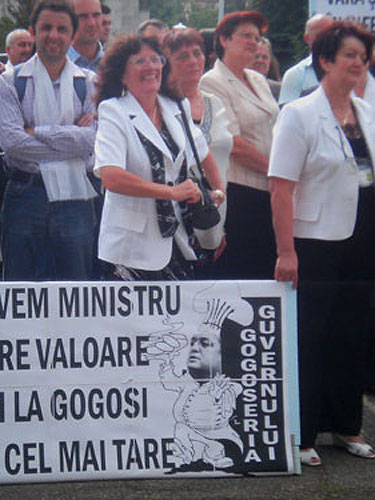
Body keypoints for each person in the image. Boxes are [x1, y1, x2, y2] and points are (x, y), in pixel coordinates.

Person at [269, 20, 375, 466]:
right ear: (325, 61)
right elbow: (280, 187)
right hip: (314, 242)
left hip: (361, 239)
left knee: (352, 334)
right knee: (310, 337)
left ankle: (347, 426)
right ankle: (303, 430)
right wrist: (286, 250)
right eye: (349, 55)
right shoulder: (298, 114)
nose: (359, 63)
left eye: (363, 56)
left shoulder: (367, 112)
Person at [94, 34, 225, 281]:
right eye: (140, 61)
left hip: (180, 242)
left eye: (156, 59)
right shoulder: (113, 110)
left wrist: (218, 193)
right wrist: (171, 192)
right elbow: (111, 177)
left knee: (177, 319)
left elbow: (203, 154)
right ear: (121, 73)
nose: (151, 66)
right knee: (131, 321)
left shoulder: (177, 106)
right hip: (130, 250)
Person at [0, 0, 97, 281]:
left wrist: (37, 131)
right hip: (25, 195)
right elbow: (13, 143)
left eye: (61, 29)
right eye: (46, 28)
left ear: (72, 35)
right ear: (33, 32)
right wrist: (71, 141)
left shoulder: (88, 83)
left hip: (76, 197)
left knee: (76, 289)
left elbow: (92, 141)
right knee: (21, 289)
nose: (53, 35)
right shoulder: (10, 82)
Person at [200, 11, 279, 280]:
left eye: (257, 38)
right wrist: (277, 171)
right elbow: (234, 144)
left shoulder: (258, 79)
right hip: (240, 193)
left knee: (266, 266)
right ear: (224, 39)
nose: (253, 43)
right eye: (246, 36)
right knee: (243, 269)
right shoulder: (212, 82)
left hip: (269, 191)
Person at [162, 28, 232, 274]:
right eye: (182, 56)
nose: (193, 61)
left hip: (215, 215)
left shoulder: (217, 103)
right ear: (166, 63)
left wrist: (219, 224)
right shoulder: (158, 107)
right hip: (174, 224)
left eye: (197, 53)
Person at [279, 14, 332, 106]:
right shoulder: (295, 75)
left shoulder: (348, 70)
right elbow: (288, 115)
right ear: (307, 38)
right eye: (320, 36)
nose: (326, 40)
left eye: (330, 34)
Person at [67, 0, 104, 72]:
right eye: (83, 17)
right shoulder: (55, 64)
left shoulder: (114, 65)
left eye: (96, 15)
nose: (92, 23)